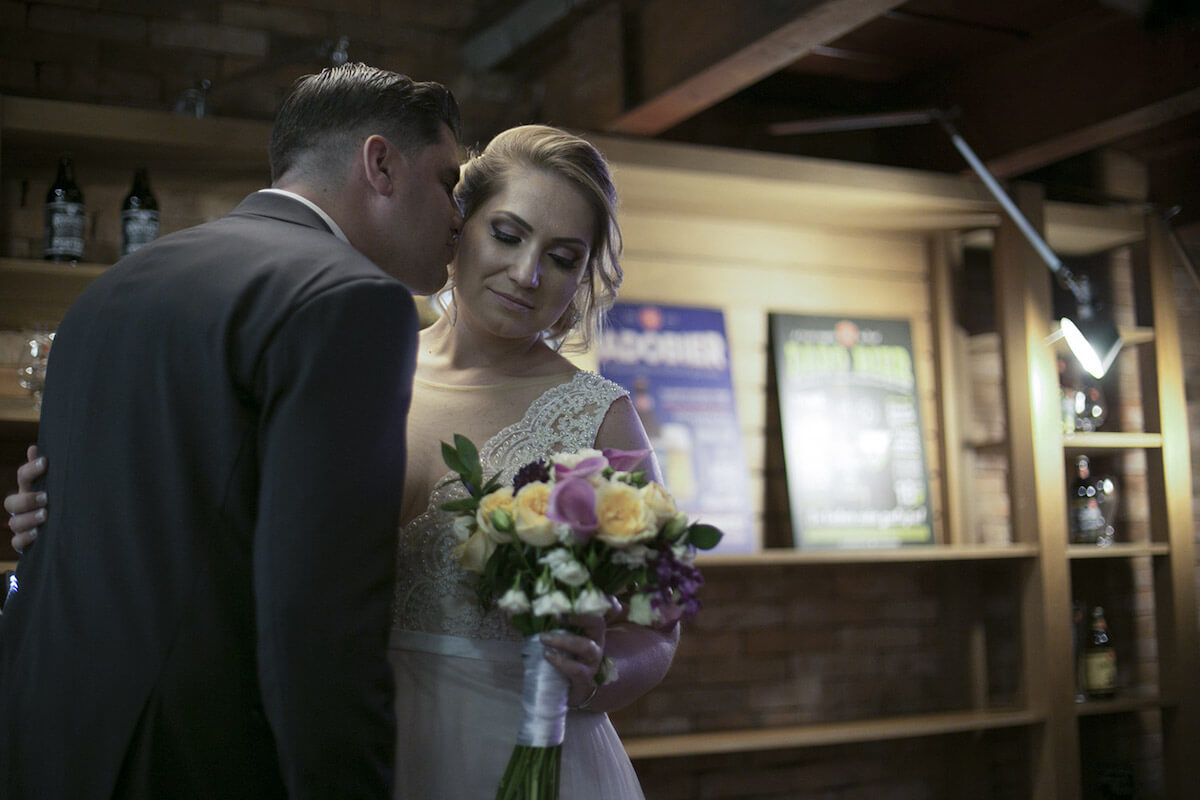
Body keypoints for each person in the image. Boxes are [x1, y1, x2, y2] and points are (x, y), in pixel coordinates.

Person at [8, 124, 678, 798]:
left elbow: (659, 623)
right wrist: (58, 512)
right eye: (507, 234)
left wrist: (597, 673)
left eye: (563, 257)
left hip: (523, 754)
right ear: (458, 225)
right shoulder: (355, 361)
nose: (528, 273)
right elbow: (211, 507)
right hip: (340, 741)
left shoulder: (599, 415)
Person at [0, 62, 463, 800]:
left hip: (45, 734)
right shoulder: (350, 299)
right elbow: (319, 615)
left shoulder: (112, 287)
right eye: (448, 180)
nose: (457, 216)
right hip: (193, 757)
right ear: (380, 164)